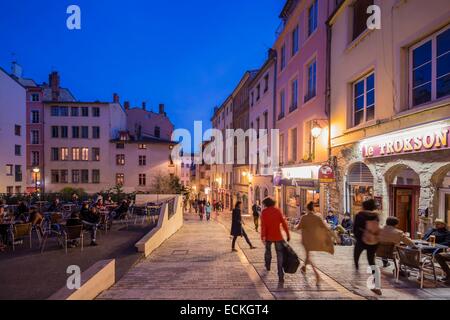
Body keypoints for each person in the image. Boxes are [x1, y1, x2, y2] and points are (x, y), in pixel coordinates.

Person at [296, 202, 334, 286]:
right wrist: (334, 236)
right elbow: (325, 227)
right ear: (313, 208)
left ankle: (317, 275)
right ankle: (304, 267)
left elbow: (298, 227)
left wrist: (294, 226)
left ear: (307, 209)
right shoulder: (317, 217)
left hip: (306, 240)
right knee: (307, 256)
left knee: (308, 257)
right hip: (314, 240)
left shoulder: (304, 217)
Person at [353, 199, 381, 295]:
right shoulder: (376, 216)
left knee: (356, 258)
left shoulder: (359, 215)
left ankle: (356, 275)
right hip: (374, 241)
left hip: (361, 239)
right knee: (372, 262)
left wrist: (358, 237)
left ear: (364, 206)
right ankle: (377, 285)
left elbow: (355, 228)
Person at [260, 197, 290, 283]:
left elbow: (263, 226)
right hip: (278, 236)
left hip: (268, 236)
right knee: (279, 255)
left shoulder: (264, 212)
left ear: (266, 204)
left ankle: (268, 265)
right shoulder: (277, 211)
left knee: (268, 251)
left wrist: (263, 236)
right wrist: (287, 234)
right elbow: (284, 223)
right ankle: (280, 275)